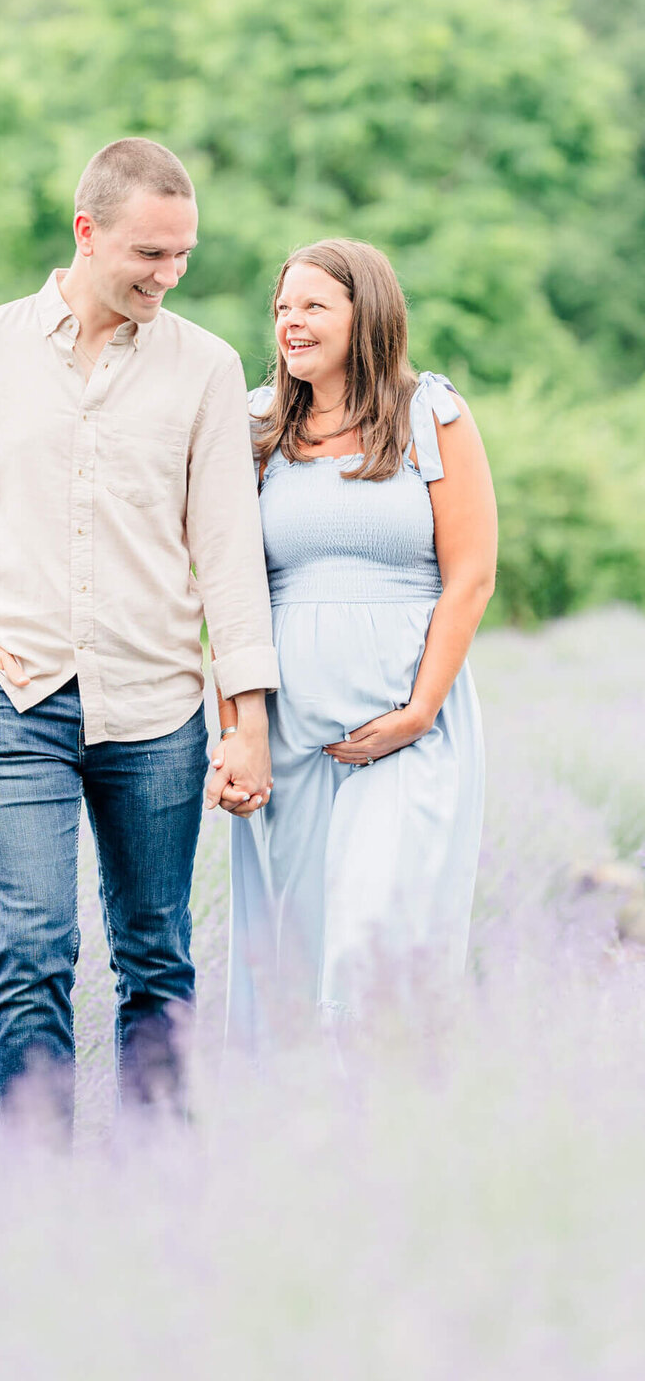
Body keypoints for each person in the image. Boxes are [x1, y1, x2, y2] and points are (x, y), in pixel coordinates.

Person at [0, 138, 278, 1124]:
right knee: (29, 949)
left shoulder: (206, 366)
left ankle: (153, 1193)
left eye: (182, 255)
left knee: (157, 950)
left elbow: (229, 552)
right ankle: (40, 1201)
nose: (170, 274)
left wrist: (246, 717)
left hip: (158, 709)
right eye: (150, 254)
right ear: (87, 231)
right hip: (14, 700)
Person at [207, 239, 497, 1038]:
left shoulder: (430, 414)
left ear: (365, 315)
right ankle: (306, 1145)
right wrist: (238, 732)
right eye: (281, 308)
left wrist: (418, 711)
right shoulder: (255, 427)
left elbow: (470, 576)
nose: (289, 323)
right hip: (291, 735)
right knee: (296, 958)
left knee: (375, 939)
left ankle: (394, 1130)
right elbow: (231, 591)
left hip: (408, 733)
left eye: (312, 306)